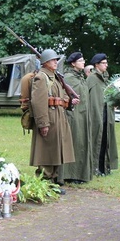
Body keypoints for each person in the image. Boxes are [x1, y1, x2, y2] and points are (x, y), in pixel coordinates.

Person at [29, 49, 75, 190]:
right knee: (46, 153)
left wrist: (69, 102)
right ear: (45, 62)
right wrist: (43, 123)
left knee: (56, 151)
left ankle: (52, 181)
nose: (56, 62)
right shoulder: (41, 78)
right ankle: (44, 183)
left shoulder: (54, 77)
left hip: (59, 118)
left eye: (56, 60)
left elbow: (60, 97)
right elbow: (38, 102)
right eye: (52, 60)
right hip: (49, 119)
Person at [58, 52, 92, 184]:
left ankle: (80, 173)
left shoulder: (80, 78)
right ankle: (70, 174)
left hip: (83, 115)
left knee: (82, 142)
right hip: (73, 115)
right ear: (73, 63)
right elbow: (63, 95)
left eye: (83, 60)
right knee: (74, 142)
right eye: (80, 61)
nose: (83, 63)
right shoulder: (68, 77)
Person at [86, 53, 118, 176]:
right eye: (104, 63)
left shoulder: (105, 78)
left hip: (106, 113)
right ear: (97, 64)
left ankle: (104, 167)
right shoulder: (92, 78)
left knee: (105, 140)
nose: (106, 65)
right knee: (96, 140)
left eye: (106, 63)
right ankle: (95, 167)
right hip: (95, 115)